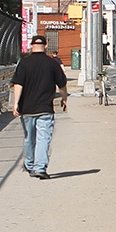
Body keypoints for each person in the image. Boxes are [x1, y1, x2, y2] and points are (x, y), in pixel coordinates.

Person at [12, 35, 68, 179]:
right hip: (45, 108)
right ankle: (40, 168)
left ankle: (30, 165)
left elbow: (18, 84)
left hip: (27, 108)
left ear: (31, 46)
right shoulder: (52, 64)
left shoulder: (24, 64)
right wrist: (64, 99)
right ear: (46, 46)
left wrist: (16, 104)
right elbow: (62, 84)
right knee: (43, 138)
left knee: (29, 138)